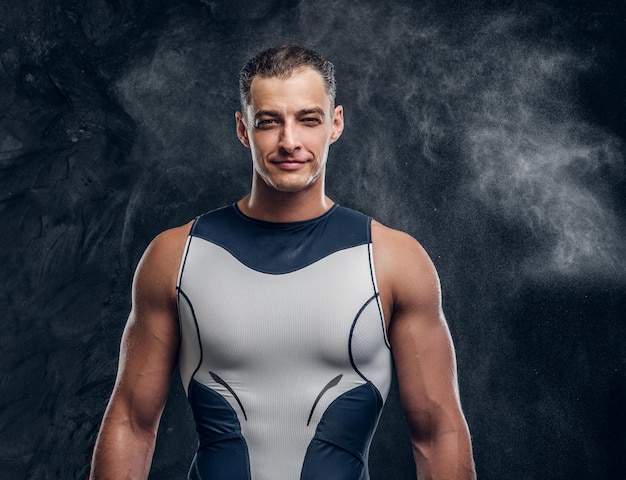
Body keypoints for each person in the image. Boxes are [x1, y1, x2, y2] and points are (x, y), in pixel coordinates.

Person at [90, 44, 476, 480]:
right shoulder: (175, 256)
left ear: (335, 124)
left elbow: (437, 432)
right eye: (269, 121)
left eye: (308, 120)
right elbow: (131, 422)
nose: (289, 141)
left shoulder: (393, 260)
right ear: (243, 129)